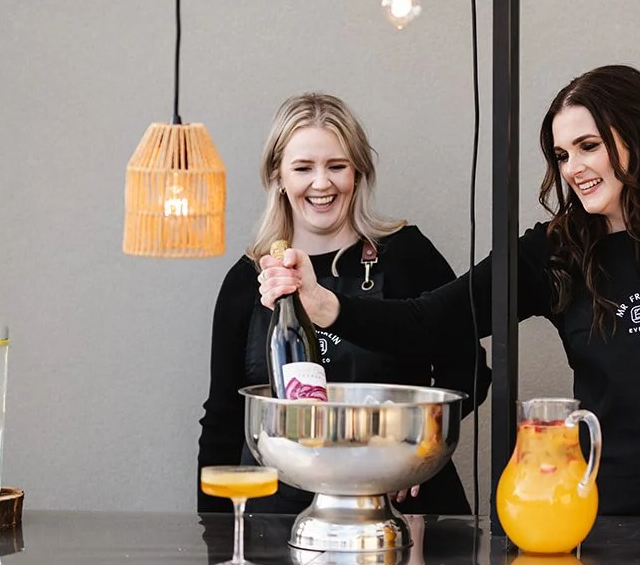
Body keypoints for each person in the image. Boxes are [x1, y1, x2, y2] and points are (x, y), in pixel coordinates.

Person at [260, 66, 640, 517]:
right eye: (563, 154)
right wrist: (325, 305)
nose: (572, 168)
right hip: (616, 510)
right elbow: (431, 321)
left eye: (589, 146)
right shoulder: (552, 251)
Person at [197, 92, 488, 516]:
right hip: (276, 513)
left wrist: (417, 453)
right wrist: (213, 536)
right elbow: (222, 418)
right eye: (303, 168)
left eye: (336, 166)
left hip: (401, 508)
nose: (321, 183)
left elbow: (470, 370)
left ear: (358, 172)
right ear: (277, 176)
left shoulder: (407, 255)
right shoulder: (247, 279)